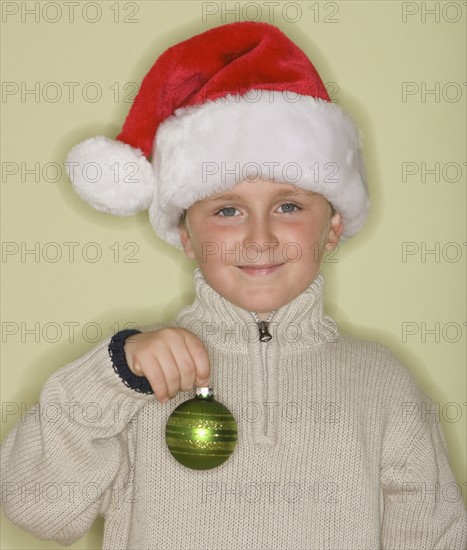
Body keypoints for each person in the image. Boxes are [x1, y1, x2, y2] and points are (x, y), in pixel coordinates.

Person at [1, 21, 465, 550]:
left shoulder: (384, 385)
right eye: (227, 210)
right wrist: (112, 374)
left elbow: (434, 536)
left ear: (332, 227)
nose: (259, 238)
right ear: (186, 235)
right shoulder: (141, 377)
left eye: (288, 206)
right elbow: (37, 506)